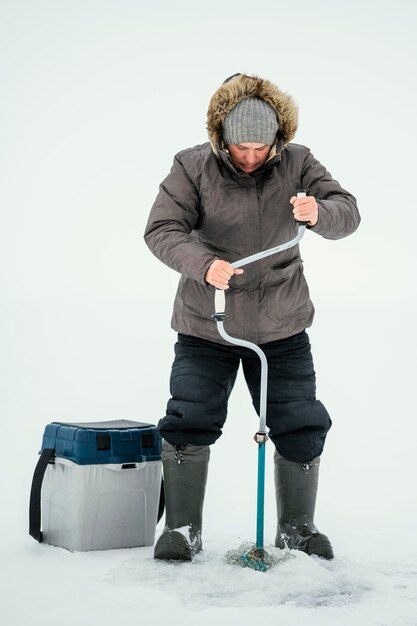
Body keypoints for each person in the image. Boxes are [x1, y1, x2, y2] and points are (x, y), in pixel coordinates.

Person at [144, 73, 360, 562]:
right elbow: (161, 229)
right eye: (240, 146)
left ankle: (298, 529)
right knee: (189, 418)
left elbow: (347, 211)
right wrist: (204, 265)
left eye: (260, 146)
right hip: (207, 324)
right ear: (222, 137)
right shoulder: (192, 165)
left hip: (282, 325)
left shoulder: (299, 161)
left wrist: (319, 212)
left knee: (299, 421)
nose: (249, 156)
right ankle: (181, 529)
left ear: (277, 139)